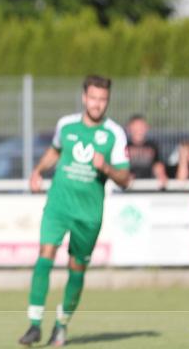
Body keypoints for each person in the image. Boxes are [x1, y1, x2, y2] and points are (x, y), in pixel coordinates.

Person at [19, 75, 130, 347]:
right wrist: (37, 170)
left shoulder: (114, 133)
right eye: (93, 98)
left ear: (108, 101)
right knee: (45, 254)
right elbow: (55, 151)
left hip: (88, 214)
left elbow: (125, 179)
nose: (97, 104)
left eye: (102, 99)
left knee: (76, 268)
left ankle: (61, 325)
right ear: (84, 97)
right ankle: (34, 324)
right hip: (58, 204)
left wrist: (107, 169)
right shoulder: (66, 125)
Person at [124, 115, 167, 186]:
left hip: (148, 185)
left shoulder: (152, 146)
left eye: (141, 127)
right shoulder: (124, 146)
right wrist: (125, 176)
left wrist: (161, 174)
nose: (139, 130)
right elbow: (120, 166)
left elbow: (157, 164)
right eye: (136, 128)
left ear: (147, 128)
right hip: (128, 187)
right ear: (129, 129)